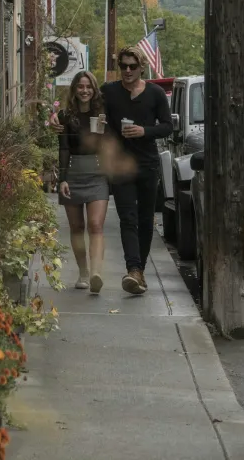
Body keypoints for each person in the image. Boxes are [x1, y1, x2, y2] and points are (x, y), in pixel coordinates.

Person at [100, 46, 172, 295]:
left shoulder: (155, 93)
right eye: (123, 66)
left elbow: (167, 127)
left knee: (145, 220)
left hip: (147, 164)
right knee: (127, 218)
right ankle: (133, 270)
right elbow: (91, 112)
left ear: (142, 66)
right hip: (120, 165)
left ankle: (138, 271)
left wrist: (144, 131)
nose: (127, 71)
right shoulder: (109, 92)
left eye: (132, 66)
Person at [56, 71, 110, 293]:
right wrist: (62, 179)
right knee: (77, 227)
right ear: (74, 89)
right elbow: (64, 147)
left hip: (97, 173)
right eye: (80, 86)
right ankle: (83, 273)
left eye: (88, 86)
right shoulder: (65, 116)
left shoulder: (104, 113)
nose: (85, 90)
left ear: (94, 89)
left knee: (96, 225)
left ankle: (96, 273)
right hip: (73, 173)